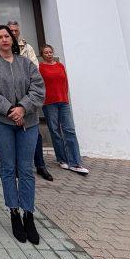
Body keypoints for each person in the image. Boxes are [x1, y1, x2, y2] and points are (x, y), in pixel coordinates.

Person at [0, 24, 45, 245]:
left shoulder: (26, 63)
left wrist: (22, 108)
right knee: (8, 167)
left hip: (28, 121)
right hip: (1, 122)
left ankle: (29, 213)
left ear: (13, 39)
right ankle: (14, 212)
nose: (4, 40)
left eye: (7, 36)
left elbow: (38, 89)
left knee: (26, 168)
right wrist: (10, 109)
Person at [7, 20, 53, 181]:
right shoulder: (2, 49)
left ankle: (40, 165)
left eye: (15, 31)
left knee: (35, 134)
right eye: (10, 30)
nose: (13, 33)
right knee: (12, 134)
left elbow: (34, 70)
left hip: (28, 97)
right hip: (10, 99)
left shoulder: (27, 48)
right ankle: (18, 167)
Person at [39, 44, 89, 175]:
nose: (49, 54)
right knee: (55, 131)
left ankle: (75, 162)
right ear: (42, 54)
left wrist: (65, 97)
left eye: (50, 52)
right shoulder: (40, 68)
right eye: (46, 52)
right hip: (49, 103)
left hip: (63, 101)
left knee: (69, 130)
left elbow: (65, 82)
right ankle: (62, 159)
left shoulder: (60, 66)